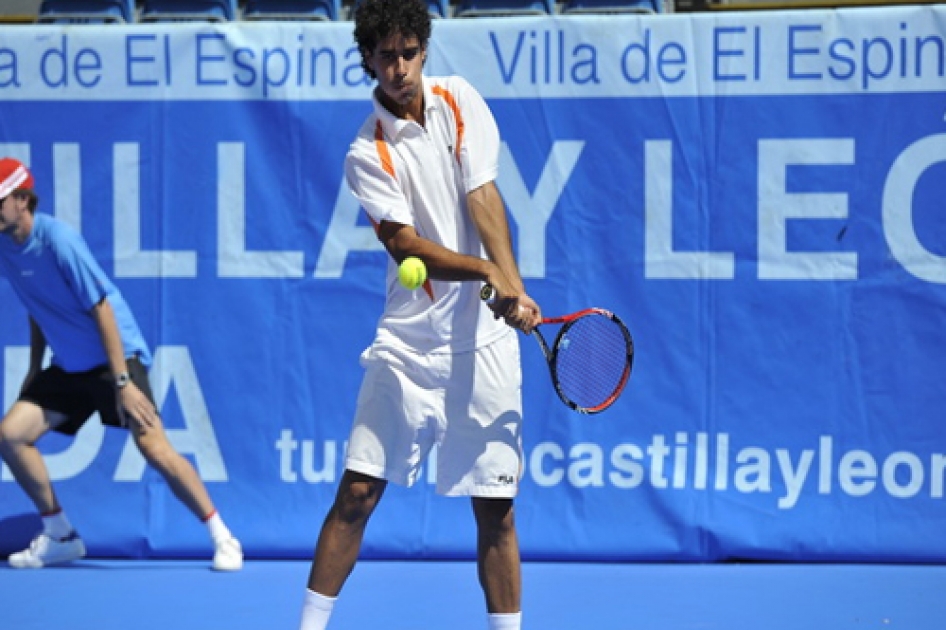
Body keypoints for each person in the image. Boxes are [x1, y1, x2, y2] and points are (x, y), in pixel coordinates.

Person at [297, 1, 542, 629]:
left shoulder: (460, 100)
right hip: (407, 347)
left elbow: (483, 195)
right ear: (368, 61)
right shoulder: (365, 151)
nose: (399, 66)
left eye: (409, 52)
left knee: (498, 511)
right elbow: (405, 245)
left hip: (484, 347)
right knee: (355, 494)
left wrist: (510, 285)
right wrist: (485, 272)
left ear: (424, 50)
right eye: (386, 56)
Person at [0, 157, 243, 571]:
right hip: (69, 364)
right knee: (10, 435)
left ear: (22, 199)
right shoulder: (5, 246)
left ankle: (223, 536)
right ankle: (60, 534)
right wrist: (34, 370)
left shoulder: (58, 240)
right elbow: (37, 306)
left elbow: (102, 309)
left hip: (116, 358)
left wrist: (123, 381)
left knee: (154, 447)